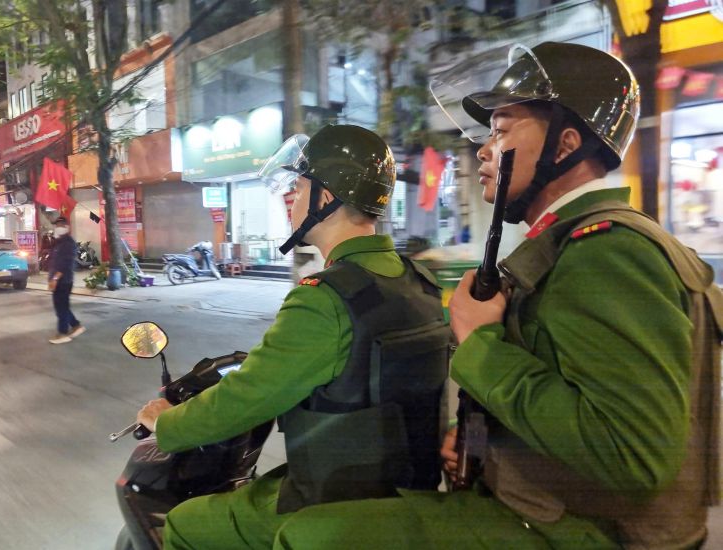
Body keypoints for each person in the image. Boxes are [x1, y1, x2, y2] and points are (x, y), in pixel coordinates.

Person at [269, 42, 723, 549]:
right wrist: (482, 445)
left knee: (309, 537)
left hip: (585, 531)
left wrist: (481, 343)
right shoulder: (564, 245)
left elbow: (633, 455)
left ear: (566, 144)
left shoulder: (606, 253)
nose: (484, 149)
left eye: (503, 130)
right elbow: (564, 386)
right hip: (552, 512)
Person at [136, 124, 450, 549]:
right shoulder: (421, 283)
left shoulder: (324, 299)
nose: (291, 201)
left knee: (186, 523)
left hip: (334, 504)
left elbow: (246, 396)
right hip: (408, 492)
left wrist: (166, 422)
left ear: (325, 198)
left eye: (299, 189)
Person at [47, 216, 85, 344]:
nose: (58, 227)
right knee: (62, 307)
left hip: (63, 280)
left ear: (67, 227)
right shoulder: (58, 242)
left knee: (61, 307)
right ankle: (76, 325)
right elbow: (55, 262)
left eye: (61, 225)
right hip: (57, 279)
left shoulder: (68, 243)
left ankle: (62, 333)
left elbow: (65, 264)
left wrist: (55, 279)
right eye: (57, 225)